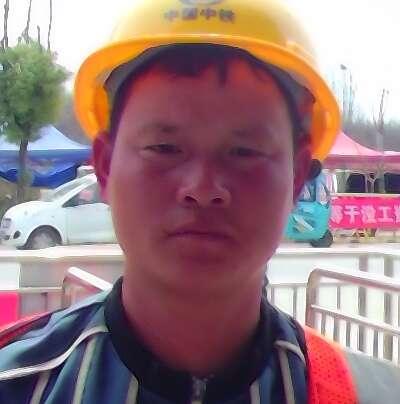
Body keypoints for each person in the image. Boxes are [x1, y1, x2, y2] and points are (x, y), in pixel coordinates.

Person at [0, 0, 399, 403]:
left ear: (296, 176)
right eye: (164, 148)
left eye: (244, 152)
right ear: (105, 166)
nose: (203, 187)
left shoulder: (371, 393)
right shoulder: (17, 384)